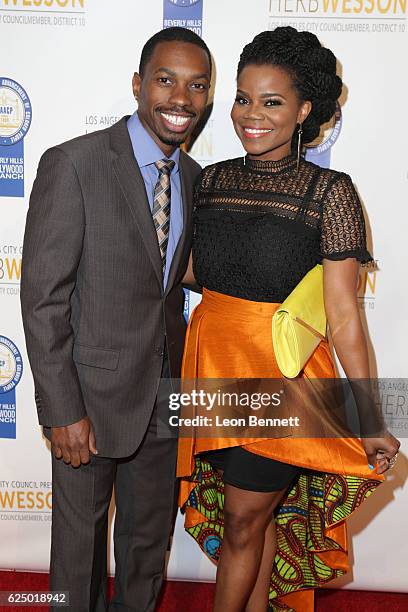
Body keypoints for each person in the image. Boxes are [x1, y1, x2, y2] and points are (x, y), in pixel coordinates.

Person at [177, 27, 400, 612]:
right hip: (212, 370)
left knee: (242, 523)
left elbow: (344, 314)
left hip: (283, 382)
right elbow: (193, 273)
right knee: (256, 520)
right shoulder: (212, 182)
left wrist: (369, 413)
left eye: (272, 102)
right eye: (244, 99)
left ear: (304, 110)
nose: (252, 115)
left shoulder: (331, 194)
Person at [20, 27, 211, 612]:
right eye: (165, 80)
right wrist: (63, 410)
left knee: (146, 550)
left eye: (197, 85)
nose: (181, 98)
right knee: (74, 564)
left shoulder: (194, 178)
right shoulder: (73, 164)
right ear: (137, 85)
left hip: (164, 400)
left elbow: (170, 280)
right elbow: (44, 300)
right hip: (88, 403)